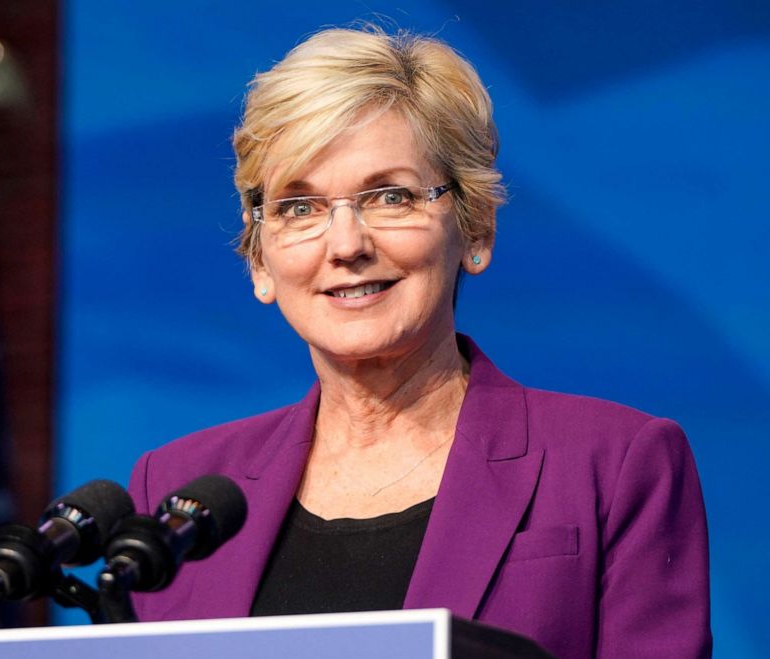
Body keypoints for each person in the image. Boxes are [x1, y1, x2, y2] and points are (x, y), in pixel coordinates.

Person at [127, 26, 711, 659]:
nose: (346, 244)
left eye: (391, 196)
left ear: (476, 227)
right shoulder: (178, 488)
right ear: (261, 262)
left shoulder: (613, 464)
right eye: (300, 207)